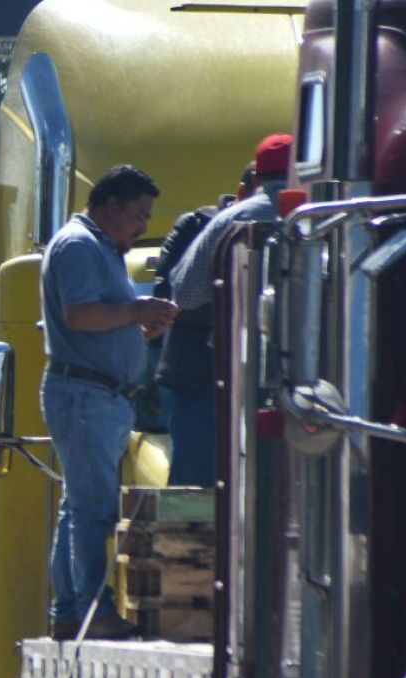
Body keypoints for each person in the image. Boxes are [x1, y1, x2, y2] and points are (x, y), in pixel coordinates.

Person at [41, 164, 178, 640]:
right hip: (86, 394)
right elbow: (79, 315)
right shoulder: (80, 246)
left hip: (96, 394)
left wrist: (139, 330)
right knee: (93, 510)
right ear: (111, 205)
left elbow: (100, 321)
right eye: (139, 215)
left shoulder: (101, 246)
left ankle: (68, 611)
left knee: (79, 507)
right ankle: (89, 612)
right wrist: (137, 311)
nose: (143, 226)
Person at [161, 133, 293, 486]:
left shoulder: (229, 220)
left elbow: (185, 293)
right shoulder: (324, 214)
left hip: (229, 376)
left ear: (257, 177)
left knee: (200, 489)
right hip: (305, 382)